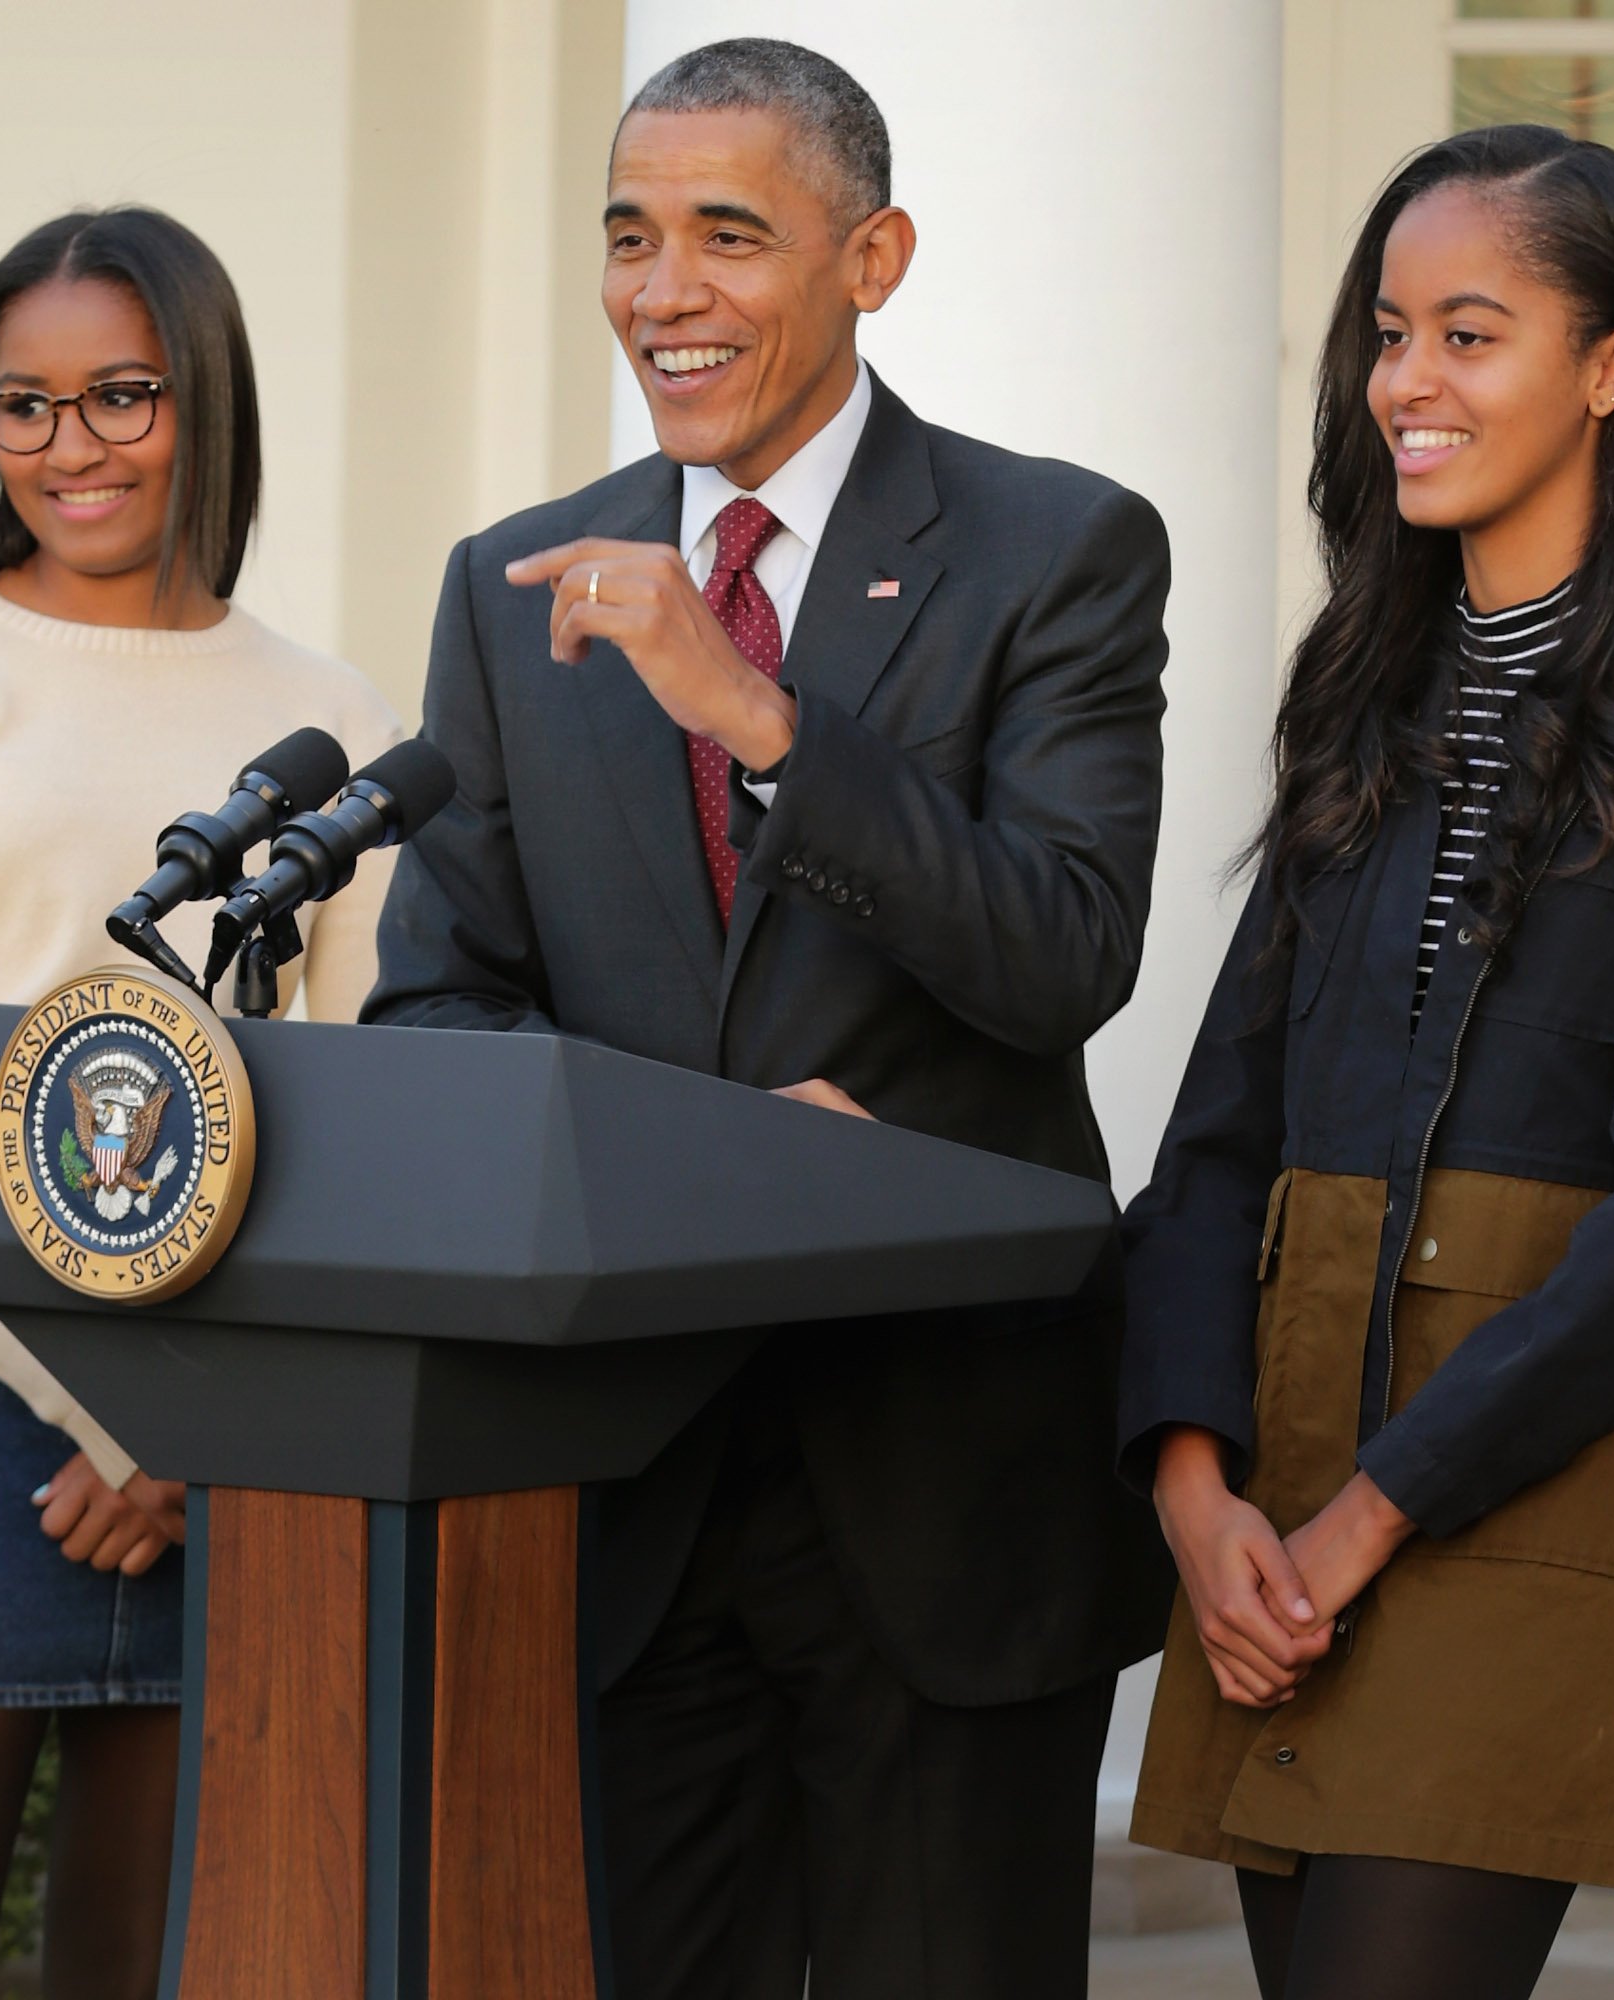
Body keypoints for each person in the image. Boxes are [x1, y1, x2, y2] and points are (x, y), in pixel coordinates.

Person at [365, 37, 1176, 1999]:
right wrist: (683, 1171)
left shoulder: (1057, 551)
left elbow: (1066, 949)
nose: (663, 290)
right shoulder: (512, 589)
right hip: (631, 1502)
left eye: (729, 235)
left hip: (944, 1487)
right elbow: (434, 1013)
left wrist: (761, 721)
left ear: (871, 255)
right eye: (630, 237)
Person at [1116, 124, 1614, 2000]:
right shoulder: (1364, 705)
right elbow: (1222, 1141)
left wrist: (1376, 1510)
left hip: (1528, 1507)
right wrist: (1197, 1490)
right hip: (1290, 1504)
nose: (1408, 382)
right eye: (1392, 331)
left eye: (1474, 332)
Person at [0, 206, 400, 2000]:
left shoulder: (324, 716)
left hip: (222, 1430)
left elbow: (344, 1119)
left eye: (119, 395)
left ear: (204, 398)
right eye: (19, 408)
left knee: (160, 1968)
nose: (68, 449)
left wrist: (193, 1433)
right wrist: (96, 1405)